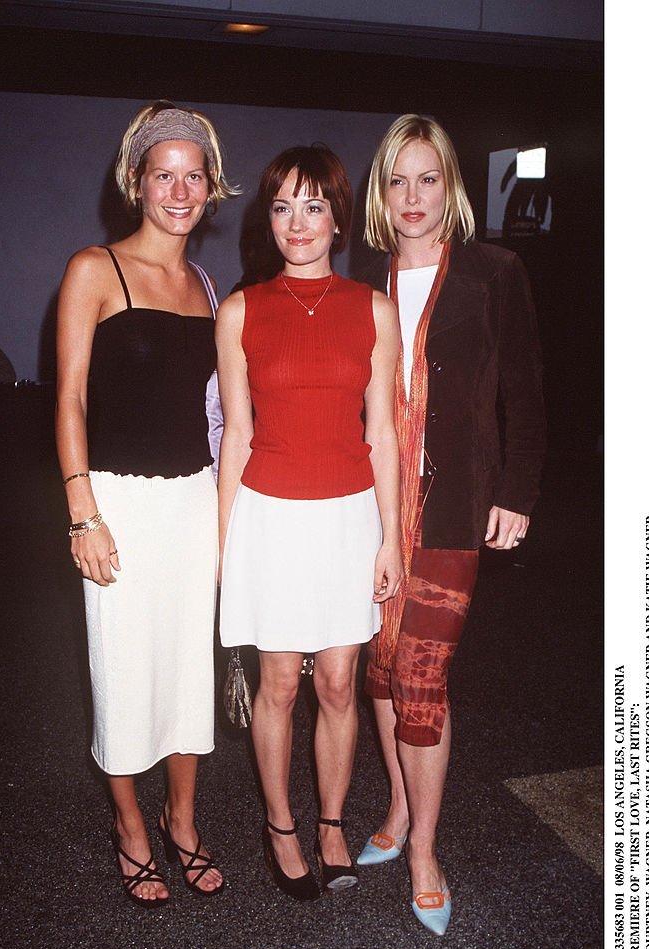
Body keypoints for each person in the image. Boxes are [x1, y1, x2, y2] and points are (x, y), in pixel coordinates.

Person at [356, 114, 546, 935]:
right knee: (377, 671)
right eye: (397, 180)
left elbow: (527, 391)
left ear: (452, 187)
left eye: (427, 178)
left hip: (457, 504)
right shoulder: (362, 277)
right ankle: (396, 809)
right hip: (363, 504)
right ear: (380, 191)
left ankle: (426, 850)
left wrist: (519, 490)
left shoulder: (495, 272)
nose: (411, 196)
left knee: (421, 679)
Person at [55, 100, 237, 906]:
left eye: (193, 175)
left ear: (210, 188)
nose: (179, 188)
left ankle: (183, 820)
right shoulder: (95, 268)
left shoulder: (204, 282)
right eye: (163, 174)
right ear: (137, 182)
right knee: (124, 667)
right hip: (118, 503)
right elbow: (67, 400)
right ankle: (130, 824)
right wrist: (82, 512)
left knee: (188, 670)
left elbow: (218, 411)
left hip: (193, 499)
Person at [217, 145, 402, 901]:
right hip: (270, 516)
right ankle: (280, 825)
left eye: (314, 205)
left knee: (336, 683)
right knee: (278, 687)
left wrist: (390, 535)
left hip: (349, 516)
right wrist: (224, 544)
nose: (298, 222)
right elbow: (234, 432)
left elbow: (383, 430)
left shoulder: (372, 308)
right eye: (283, 206)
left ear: (338, 218)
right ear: (270, 219)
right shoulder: (240, 309)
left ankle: (330, 823)